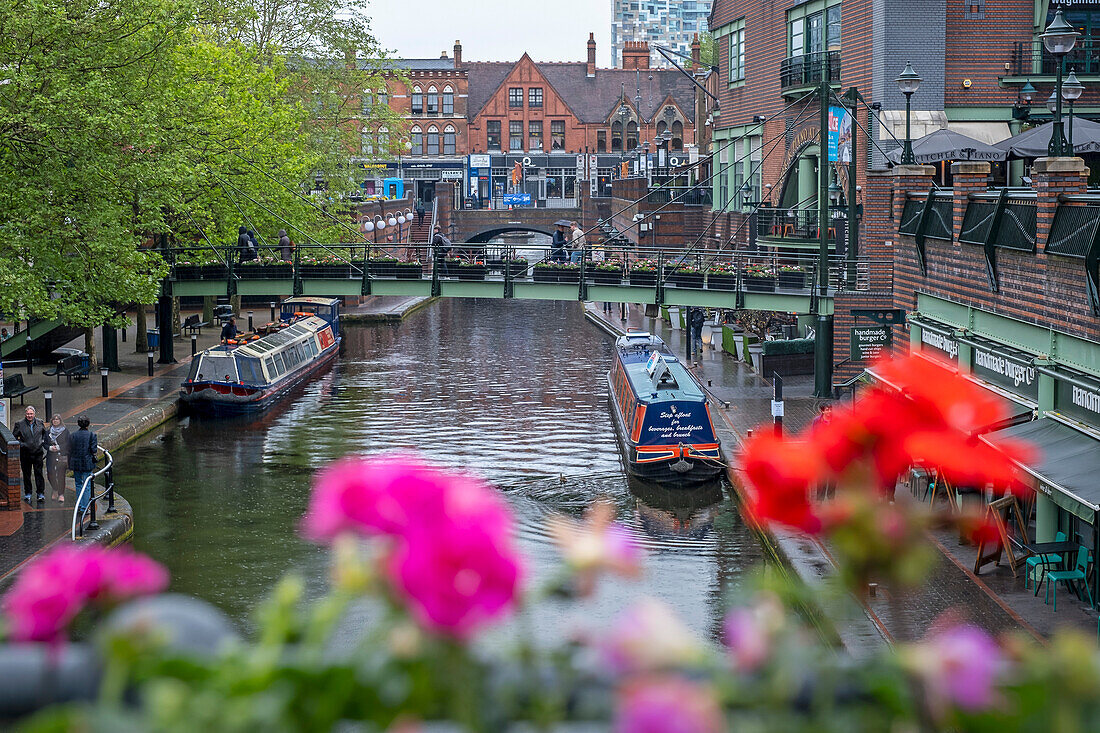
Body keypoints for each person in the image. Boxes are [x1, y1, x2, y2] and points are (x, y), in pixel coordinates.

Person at [13, 405, 48, 503]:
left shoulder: (40, 422)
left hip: (38, 453)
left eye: (31, 414)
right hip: (25, 454)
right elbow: (14, 437)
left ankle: (40, 493)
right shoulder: (19, 424)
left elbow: (45, 434)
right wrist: (22, 444)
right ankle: (28, 493)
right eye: (28, 414)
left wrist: (43, 442)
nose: (29, 415)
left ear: (34, 414)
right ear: (25, 414)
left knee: (39, 474)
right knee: (26, 474)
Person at [69, 415, 98, 514]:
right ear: (88, 424)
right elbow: (93, 450)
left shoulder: (73, 435)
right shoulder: (92, 435)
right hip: (87, 463)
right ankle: (85, 507)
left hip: (76, 462)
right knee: (87, 485)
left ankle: (80, 505)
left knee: (78, 484)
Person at [46, 414, 71, 504]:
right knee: (50, 474)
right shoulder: (48, 431)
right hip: (51, 456)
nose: (55, 421)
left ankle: (61, 494)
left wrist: (59, 447)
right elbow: (44, 443)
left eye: (57, 419)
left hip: (61, 456)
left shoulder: (65, 431)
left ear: (60, 421)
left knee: (61, 476)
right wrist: (49, 448)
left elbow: (68, 443)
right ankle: (55, 489)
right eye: (54, 419)